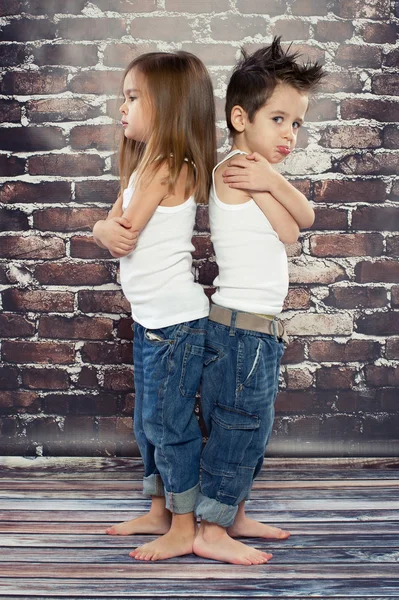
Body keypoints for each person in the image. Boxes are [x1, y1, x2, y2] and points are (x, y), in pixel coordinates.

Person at [193, 37, 325, 565]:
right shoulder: (238, 170)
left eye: (297, 123)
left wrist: (275, 183)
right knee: (238, 424)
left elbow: (292, 229)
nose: (290, 134)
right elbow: (299, 225)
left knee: (255, 426)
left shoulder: (258, 171)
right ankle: (210, 528)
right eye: (279, 119)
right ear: (241, 117)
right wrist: (273, 182)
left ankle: (236, 511)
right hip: (240, 329)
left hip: (256, 329)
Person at [92, 51, 216, 561]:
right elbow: (111, 225)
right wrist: (104, 227)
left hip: (174, 324)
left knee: (169, 424)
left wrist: (102, 230)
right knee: (149, 419)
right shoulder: (145, 164)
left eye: (132, 97)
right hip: (151, 320)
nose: (121, 108)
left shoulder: (169, 166)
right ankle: (160, 508)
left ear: (166, 105)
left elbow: (120, 234)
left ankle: (185, 525)